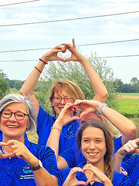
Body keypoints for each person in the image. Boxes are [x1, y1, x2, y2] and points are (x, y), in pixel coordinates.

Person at [19, 40, 109, 169]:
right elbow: (25, 93)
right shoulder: (44, 121)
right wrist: (44, 60)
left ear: (76, 101)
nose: (62, 102)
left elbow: (102, 94)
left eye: (67, 98)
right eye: (57, 98)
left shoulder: (82, 120)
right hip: (46, 177)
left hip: (77, 177)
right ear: (51, 101)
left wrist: (82, 60)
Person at [48, 100, 137, 169]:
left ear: (105, 122)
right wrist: (58, 124)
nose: (89, 126)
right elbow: (51, 163)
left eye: (93, 121)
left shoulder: (117, 144)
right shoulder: (77, 150)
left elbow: (130, 131)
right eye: (83, 122)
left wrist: (98, 106)